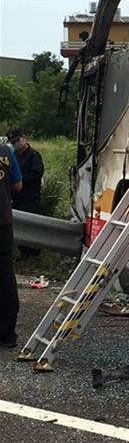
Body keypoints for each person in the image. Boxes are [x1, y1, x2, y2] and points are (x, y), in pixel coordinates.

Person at [1, 140, 23, 348]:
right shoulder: (6, 152)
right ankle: (7, 334)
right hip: (3, 223)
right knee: (6, 276)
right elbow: (18, 185)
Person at [7, 129, 43, 215]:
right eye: (13, 142)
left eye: (17, 140)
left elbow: (37, 173)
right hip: (16, 200)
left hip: (30, 200)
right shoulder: (14, 155)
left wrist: (19, 178)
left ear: (23, 138)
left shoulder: (33, 155)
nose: (16, 143)